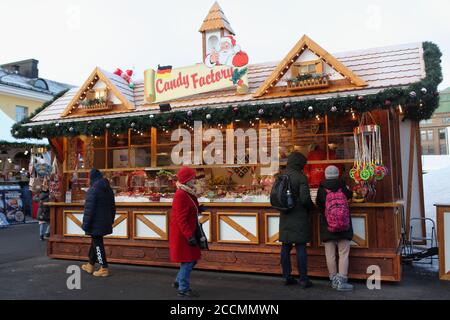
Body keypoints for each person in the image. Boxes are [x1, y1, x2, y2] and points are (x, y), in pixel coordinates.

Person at [279, 152, 314, 288]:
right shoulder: (301, 177)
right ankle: (304, 279)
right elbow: (305, 199)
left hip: (285, 215)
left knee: (285, 247)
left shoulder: (280, 176)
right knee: (300, 247)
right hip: (299, 216)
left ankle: (286, 276)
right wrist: (311, 207)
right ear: (300, 164)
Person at [316, 165, 354, 291]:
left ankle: (333, 278)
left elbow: (319, 204)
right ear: (337, 174)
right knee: (343, 253)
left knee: (330, 254)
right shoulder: (343, 186)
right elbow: (350, 195)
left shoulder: (321, 188)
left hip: (328, 225)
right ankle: (342, 279)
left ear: (325, 175)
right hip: (344, 225)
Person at [169, 166, 201, 297]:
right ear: (187, 180)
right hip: (183, 233)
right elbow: (181, 218)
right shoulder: (181, 194)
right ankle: (183, 288)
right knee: (188, 260)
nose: (194, 179)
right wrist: (189, 236)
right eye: (192, 178)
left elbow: (189, 208)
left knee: (191, 259)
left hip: (187, 231)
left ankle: (178, 281)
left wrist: (199, 209)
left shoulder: (187, 192)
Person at [81, 168, 116, 277]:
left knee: (97, 244)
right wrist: (111, 220)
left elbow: (89, 210)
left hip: (95, 222)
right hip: (104, 221)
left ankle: (104, 267)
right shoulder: (108, 189)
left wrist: (85, 224)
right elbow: (113, 207)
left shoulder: (93, 190)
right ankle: (90, 265)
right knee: (95, 241)